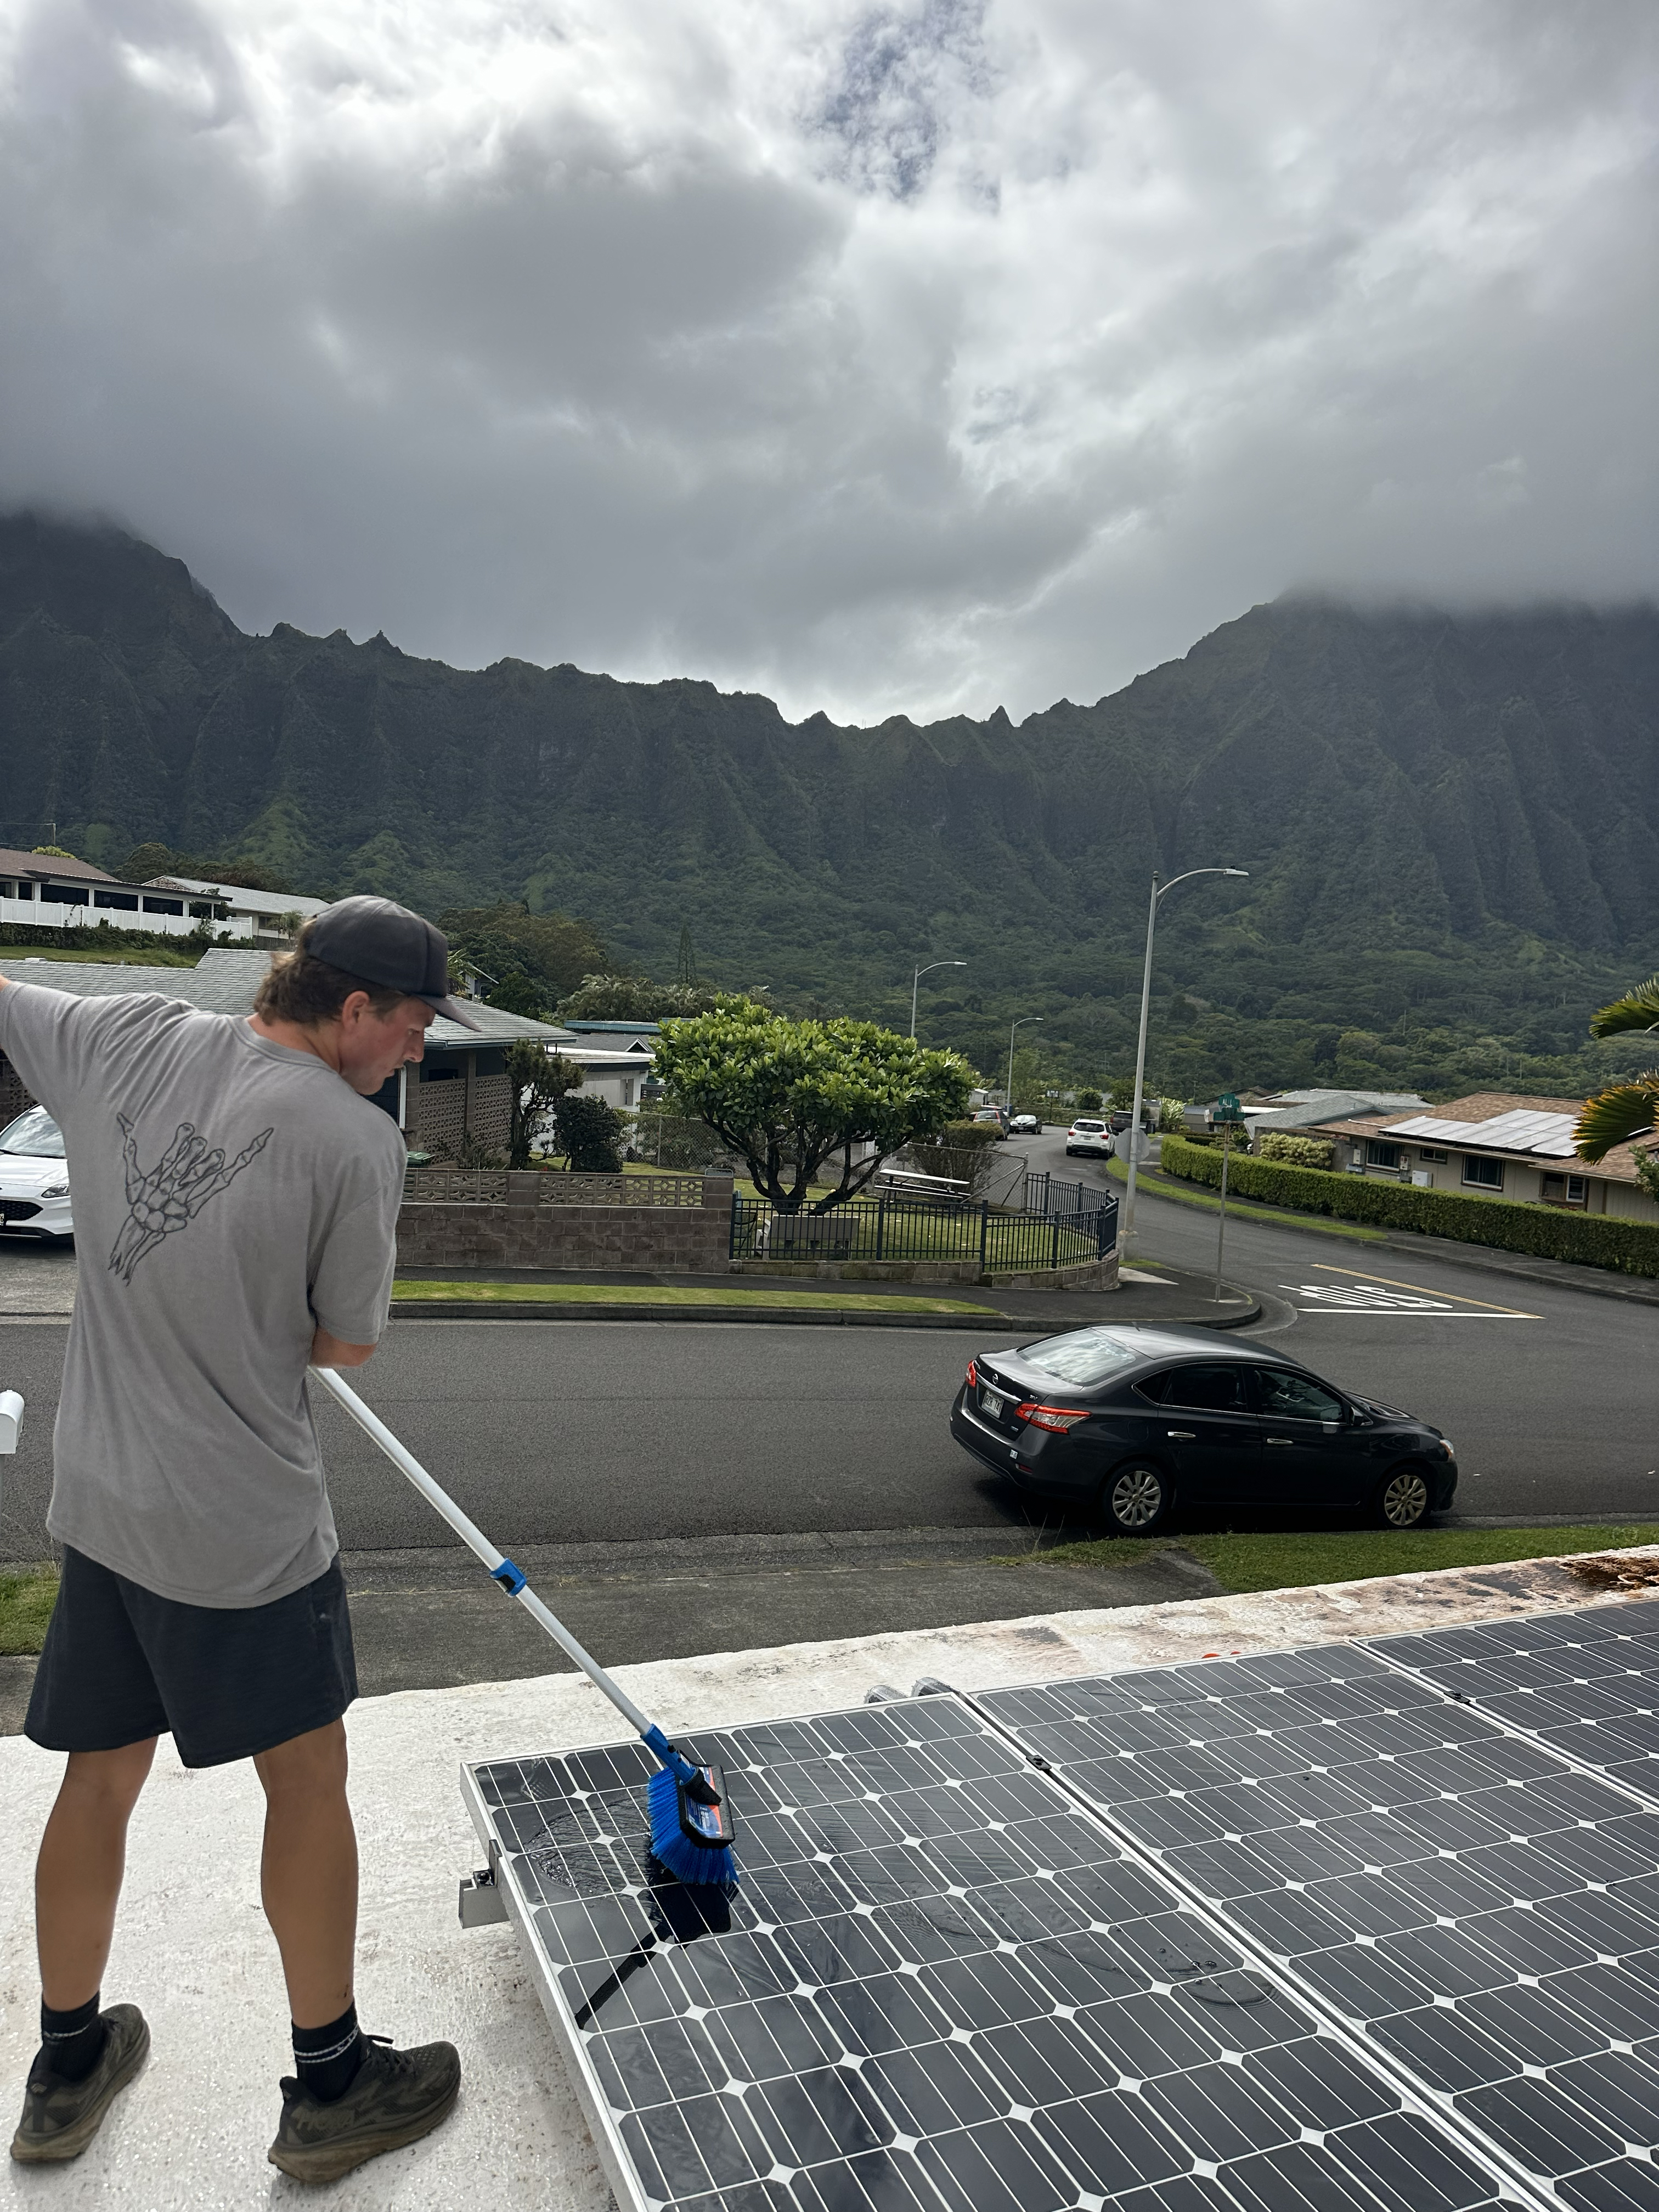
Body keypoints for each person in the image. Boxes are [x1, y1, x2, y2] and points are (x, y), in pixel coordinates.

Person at [4, 895, 481, 2182]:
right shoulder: (352, 1139)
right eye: (416, 1024)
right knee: (307, 1783)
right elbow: (341, 1344)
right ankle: (330, 2084)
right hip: (244, 1536)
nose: (420, 1053)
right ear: (353, 1009)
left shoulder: (124, 1033)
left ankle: (63, 2064)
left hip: (103, 1504)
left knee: (97, 1780)